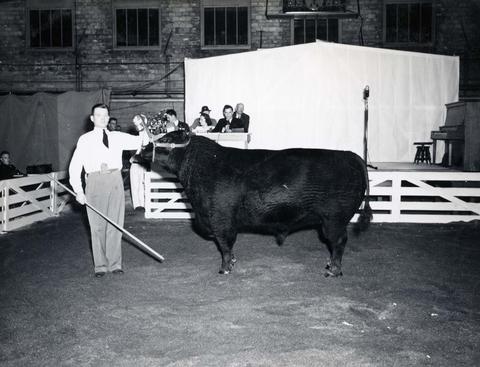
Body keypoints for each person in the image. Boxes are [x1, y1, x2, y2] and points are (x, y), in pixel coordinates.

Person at [69, 103, 149, 278]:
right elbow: (75, 167)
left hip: (114, 180)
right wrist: (79, 191)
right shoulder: (85, 139)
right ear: (92, 119)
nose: (103, 119)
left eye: (105, 115)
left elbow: (142, 141)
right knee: (97, 226)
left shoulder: (117, 136)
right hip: (95, 182)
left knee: (115, 223)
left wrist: (142, 127)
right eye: (99, 115)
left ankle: (115, 264)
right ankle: (100, 266)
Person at [129, 114, 150, 212]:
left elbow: (145, 147)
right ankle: (137, 205)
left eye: (138, 123)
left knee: (143, 184)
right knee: (134, 184)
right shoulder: (134, 135)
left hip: (143, 163)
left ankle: (144, 204)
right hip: (135, 163)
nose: (137, 125)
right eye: (135, 124)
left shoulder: (147, 134)